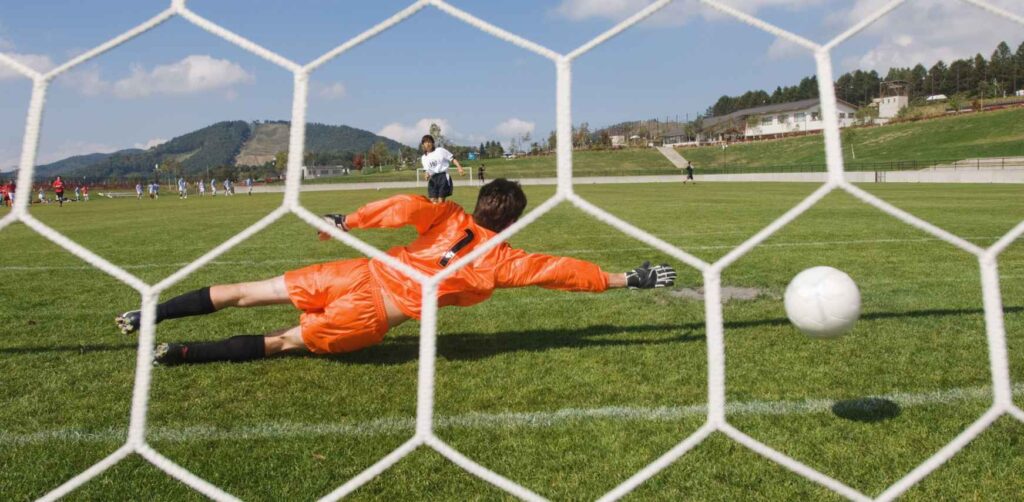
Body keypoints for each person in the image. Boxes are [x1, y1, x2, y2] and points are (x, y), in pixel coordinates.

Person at [115, 179, 676, 365]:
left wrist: (350, 219)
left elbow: (406, 207)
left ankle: (148, 314)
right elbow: (565, 272)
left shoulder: (449, 214)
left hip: (356, 273)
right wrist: (633, 278)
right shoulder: (506, 259)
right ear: (511, 221)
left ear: (479, 204)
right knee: (283, 342)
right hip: (373, 312)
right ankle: (182, 353)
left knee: (245, 291)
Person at [420, 134, 464, 203]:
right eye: (425, 142)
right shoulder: (423, 158)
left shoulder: (440, 150)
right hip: (433, 179)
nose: (427, 144)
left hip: (443, 177)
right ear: (423, 145)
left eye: (429, 142)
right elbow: (426, 171)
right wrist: (426, 175)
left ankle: (443, 213)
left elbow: (452, 159)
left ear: (433, 143)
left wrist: (459, 167)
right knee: (433, 201)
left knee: (440, 201)